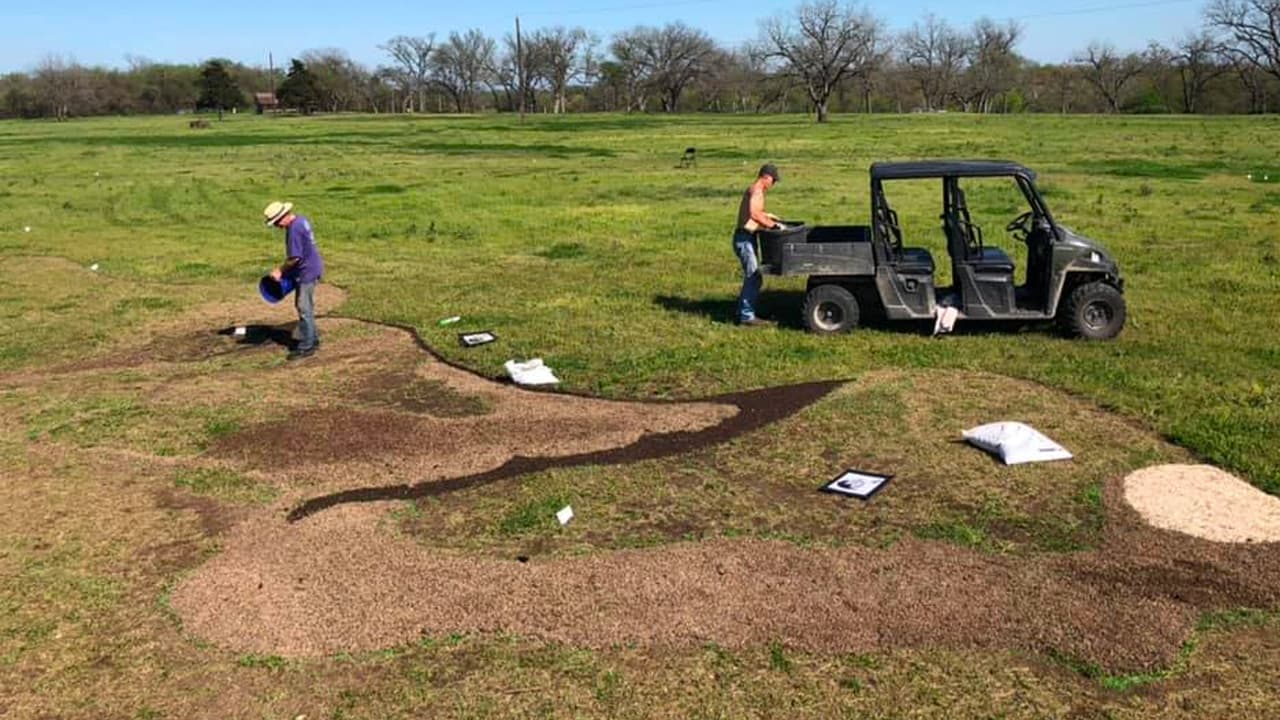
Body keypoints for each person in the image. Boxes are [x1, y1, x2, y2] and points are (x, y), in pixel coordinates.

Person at [263, 201, 325, 360]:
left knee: (304, 307)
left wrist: (280, 271)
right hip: (312, 267)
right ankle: (313, 338)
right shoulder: (301, 220)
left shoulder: (294, 230)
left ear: (282, 216)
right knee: (305, 306)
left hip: (307, 272)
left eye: (276, 222)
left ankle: (307, 346)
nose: (277, 226)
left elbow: (295, 258)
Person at [733, 163, 784, 327]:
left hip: (747, 237)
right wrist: (773, 226)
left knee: (753, 277)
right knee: (754, 277)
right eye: (773, 180)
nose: (773, 184)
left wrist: (768, 215)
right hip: (744, 238)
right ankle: (746, 316)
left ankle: (742, 311)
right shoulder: (757, 190)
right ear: (766, 177)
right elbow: (754, 214)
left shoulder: (756, 190)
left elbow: (754, 211)